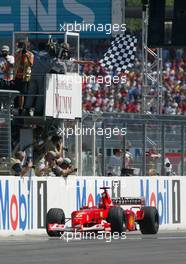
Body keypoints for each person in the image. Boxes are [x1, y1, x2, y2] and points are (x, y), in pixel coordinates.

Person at [14, 40, 34, 115]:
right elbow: (16, 62)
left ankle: (21, 109)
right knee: (16, 93)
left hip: (25, 77)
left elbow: (31, 64)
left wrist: (26, 55)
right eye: (21, 46)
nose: (22, 48)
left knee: (22, 93)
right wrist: (21, 54)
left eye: (23, 46)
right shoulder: (17, 53)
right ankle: (16, 107)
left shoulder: (30, 54)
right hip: (17, 76)